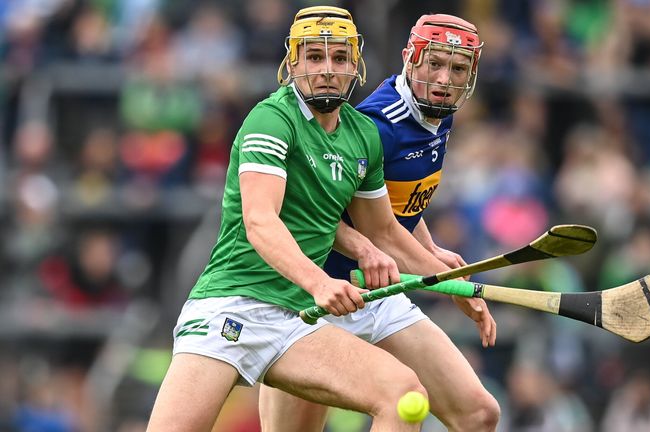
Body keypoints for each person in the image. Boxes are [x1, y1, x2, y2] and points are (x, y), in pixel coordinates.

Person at [147, 7, 495, 432]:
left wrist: (447, 280)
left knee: (405, 395)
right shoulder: (271, 119)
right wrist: (320, 281)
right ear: (292, 63)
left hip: (297, 318)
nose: (327, 70)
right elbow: (260, 221)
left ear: (356, 66)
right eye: (314, 57)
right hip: (233, 306)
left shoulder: (360, 134)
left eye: (339, 59)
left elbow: (384, 230)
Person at [259, 13, 501, 432]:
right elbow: (327, 217)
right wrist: (452, 283)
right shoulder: (378, 125)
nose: (444, 78)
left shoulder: (435, 113)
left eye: (458, 68)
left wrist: (429, 247)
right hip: (321, 299)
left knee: (479, 415)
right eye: (435, 64)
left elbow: (389, 206)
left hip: (380, 296)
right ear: (411, 59)